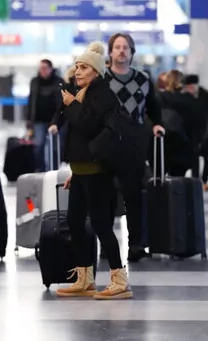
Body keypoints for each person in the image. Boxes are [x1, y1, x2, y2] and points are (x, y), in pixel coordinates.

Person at [52, 42, 132, 300]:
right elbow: (81, 139)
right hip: (82, 171)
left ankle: (119, 280)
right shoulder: (84, 93)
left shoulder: (102, 95)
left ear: (96, 71)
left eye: (84, 67)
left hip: (98, 172)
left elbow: (87, 125)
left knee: (100, 225)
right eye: (76, 67)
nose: (77, 71)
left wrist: (72, 104)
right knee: (75, 223)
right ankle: (85, 278)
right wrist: (75, 171)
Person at [104, 33, 164, 262]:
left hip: (135, 144)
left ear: (131, 52)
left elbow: (153, 107)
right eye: (117, 47)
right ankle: (106, 246)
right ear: (110, 52)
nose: (121, 51)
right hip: (107, 144)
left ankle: (135, 245)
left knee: (134, 196)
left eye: (125, 47)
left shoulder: (142, 78)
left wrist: (158, 124)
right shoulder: (101, 79)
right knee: (107, 196)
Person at [27, 59, 64, 172]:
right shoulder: (34, 81)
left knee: (55, 147)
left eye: (45, 68)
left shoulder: (59, 82)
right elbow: (31, 100)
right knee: (38, 146)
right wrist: (29, 120)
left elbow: (62, 102)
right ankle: (41, 170)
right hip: (38, 120)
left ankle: (54, 170)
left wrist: (58, 120)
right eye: (41, 68)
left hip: (55, 120)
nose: (42, 70)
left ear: (50, 68)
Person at [182, 74, 208, 190]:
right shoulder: (185, 97)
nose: (188, 89)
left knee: (206, 157)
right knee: (194, 158)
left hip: (205, 131)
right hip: (191, 132)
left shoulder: (207, 96)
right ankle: (195, 181)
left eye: (190, 87)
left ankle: (204, 181)